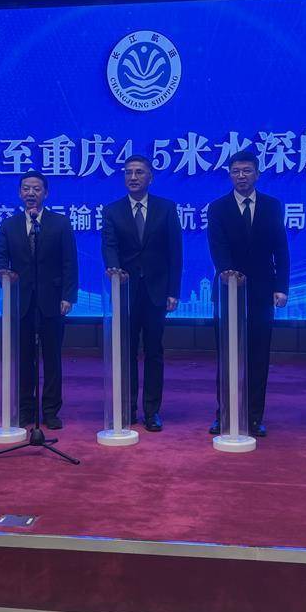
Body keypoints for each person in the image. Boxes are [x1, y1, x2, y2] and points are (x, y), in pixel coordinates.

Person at [204, 149, 290, 438]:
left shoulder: (272, 206)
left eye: (247, 171)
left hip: (262, 293)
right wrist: (229, 275)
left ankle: (254, 416)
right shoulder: (217, 208)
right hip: (227, 291)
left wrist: (281, 287)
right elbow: (217, 248)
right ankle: (225, 414)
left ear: (257, 174)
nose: (241, 176)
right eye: (236, 172)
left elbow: (281, 249)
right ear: (230, 175)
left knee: (258, 356)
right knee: (227, 356)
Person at [100, 155, 183, 432]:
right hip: (125, 291)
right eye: (128, 172)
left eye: (139, 172)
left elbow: (175, 252)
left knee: (154, 352)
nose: (133, 177)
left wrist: (173, 291)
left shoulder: (166, 208)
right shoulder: (112, 210)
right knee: (125, 352)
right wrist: (114, 270)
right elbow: (109, 245)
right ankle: (127, 409)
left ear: (150, 177)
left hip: (157, 291)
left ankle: (151, 411)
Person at [0, 170, 78, 430]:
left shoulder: (60, 223)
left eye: (36, 189)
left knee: (52, 359)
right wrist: (2, 274)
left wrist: (68, 296)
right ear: (20, 193)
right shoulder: (9, 225)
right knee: (23, 358)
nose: (31, 193)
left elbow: (69, 262)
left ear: (46, 193)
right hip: (21, 302)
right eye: (26, 189)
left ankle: (50, 411)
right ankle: (26, 409)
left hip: (52, 301)